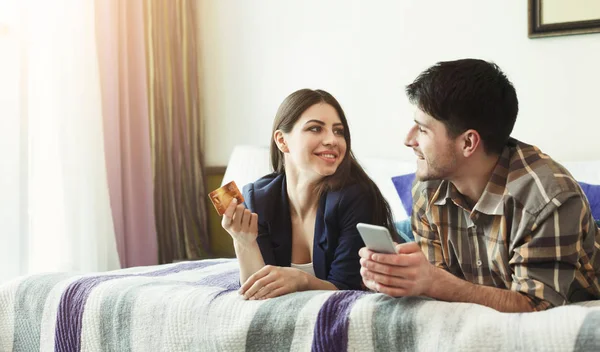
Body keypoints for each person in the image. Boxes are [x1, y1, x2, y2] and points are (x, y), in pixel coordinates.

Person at [359, 58, 600, 312]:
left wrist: (434, 282)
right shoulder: (426, 189)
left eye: (422, 130)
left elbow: (537, 308)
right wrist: (398, 279)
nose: (409, 140)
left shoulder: (548, 199)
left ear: (468, 143)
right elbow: (435, 291)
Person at [222, 89, 398, 300]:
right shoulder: (258, 198)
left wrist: (300, 280)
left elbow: (348, 290)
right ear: (282, 141)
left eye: (338, 131)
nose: (332, 140)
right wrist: (244, 242)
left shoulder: (357, 196)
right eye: (315, 128)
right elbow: (257, 290)